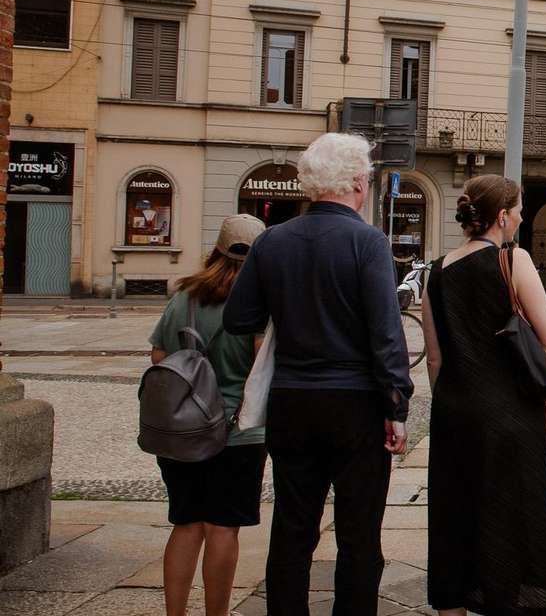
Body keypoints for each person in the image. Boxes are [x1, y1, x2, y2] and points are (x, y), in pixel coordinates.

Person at [223, 133, 414, 616]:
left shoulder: (272, 241)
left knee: (292, 527)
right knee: (359, 533)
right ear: (358, 183)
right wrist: (396, 406)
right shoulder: (368, 242)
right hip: (356, 405)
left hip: (291, 400)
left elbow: (239, 319)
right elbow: (386, 333)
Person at [420, 175, 546, 616]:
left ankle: (453, 605)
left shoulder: (435, 272)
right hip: (510, 414)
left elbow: (435, 359)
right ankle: (507, 601)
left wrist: (452, 403)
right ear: (502, 216)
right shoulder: (513, 259)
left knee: (454, 514)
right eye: (518, 211)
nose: (520, 218)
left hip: (454, 411)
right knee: (512, 515)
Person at [152, 214, 266, 616]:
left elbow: (159, 356)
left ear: (215, 249)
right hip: (237, 432)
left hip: (182, 430)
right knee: (222, 528)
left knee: (186, 524)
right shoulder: (259, 304)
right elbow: (262, 366)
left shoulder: (185, 297)